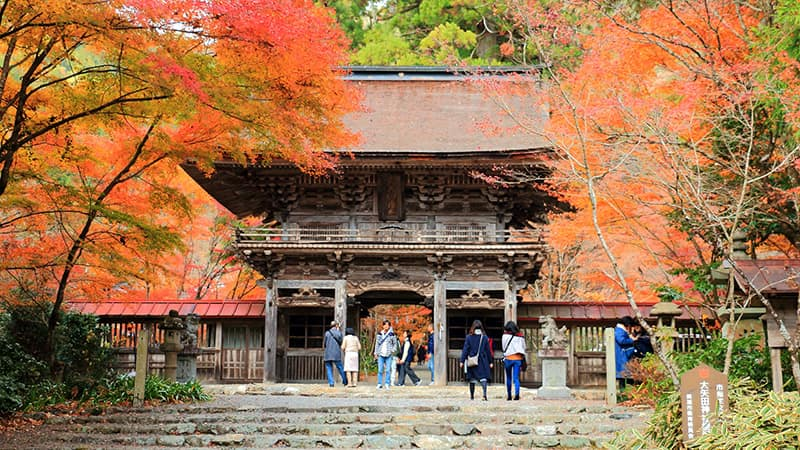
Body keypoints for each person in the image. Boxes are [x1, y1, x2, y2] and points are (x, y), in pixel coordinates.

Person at [459, 319, 494, 400]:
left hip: (472, 360)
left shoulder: (469, 337)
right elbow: (488, 350)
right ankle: (484, 394)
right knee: (483, 378)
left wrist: (462, 360)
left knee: (472, 379)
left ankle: (472, 396)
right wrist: (490, 361)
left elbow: (465, 350)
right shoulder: (484, 338)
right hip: (482, 361)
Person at [501, 320, 526, 401]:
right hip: (517, 359)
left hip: (508, 358)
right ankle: (517, 394)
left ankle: (509, 395)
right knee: (516, 378)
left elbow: (503, 347)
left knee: (508, 377)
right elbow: (523, 347)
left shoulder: (504, 336)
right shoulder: (520, 336)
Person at [373, 319, 398, 390]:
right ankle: (379, 383)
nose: (386, 326)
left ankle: (387, 383)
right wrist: (375, 353)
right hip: (381, 354)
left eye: (388, 325)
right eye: (385, 324)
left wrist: (392, 350)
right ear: (383, 326)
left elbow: (395, 344)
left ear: (389, 326)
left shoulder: (392, 334)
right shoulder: (379, 334)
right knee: (380, 370)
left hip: (388, 354)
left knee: (388, 370)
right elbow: (377, 344)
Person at [323, 321, 347, 387]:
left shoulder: (327, 333)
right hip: (336, 353)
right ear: (336, 326)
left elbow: (324, 343)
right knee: (340, 367)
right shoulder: (339, 333)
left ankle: (331, 383)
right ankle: (345, 381)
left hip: (328, 353)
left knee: (328, 368)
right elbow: (341, 342)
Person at [614, 316, 636, 387]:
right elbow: (621, 341)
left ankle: (623, 394)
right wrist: (633, 340)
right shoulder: (619, 331)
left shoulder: (619, 330)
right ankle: (623, 394)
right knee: (623, 376)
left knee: (623, 377)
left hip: (622, 354)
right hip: (621, 355)